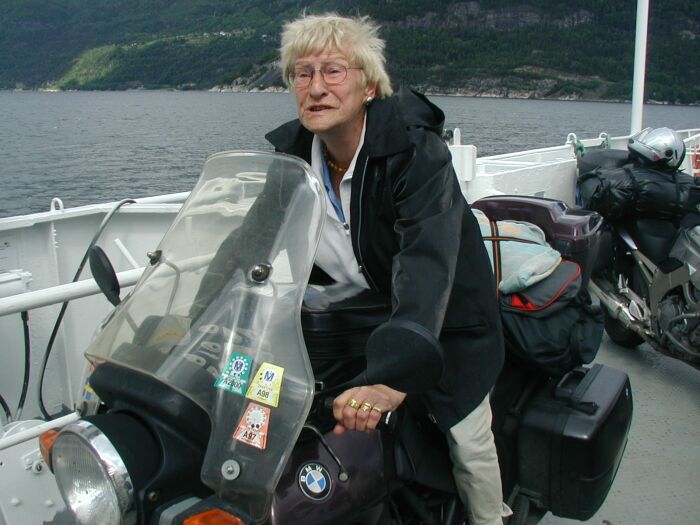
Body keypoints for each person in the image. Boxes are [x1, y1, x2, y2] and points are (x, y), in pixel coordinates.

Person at [265, 13, 511, 525]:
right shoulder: (292, 158)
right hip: (367, 317)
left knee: (467, 439)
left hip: (446, 318)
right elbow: (249, 245)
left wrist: (394, 377)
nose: (316, 87)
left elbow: (426, 262)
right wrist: (185, 321)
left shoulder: (414, 152)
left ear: (369, 86)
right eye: (302, 73)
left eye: (333, 71)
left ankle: (490, 517)